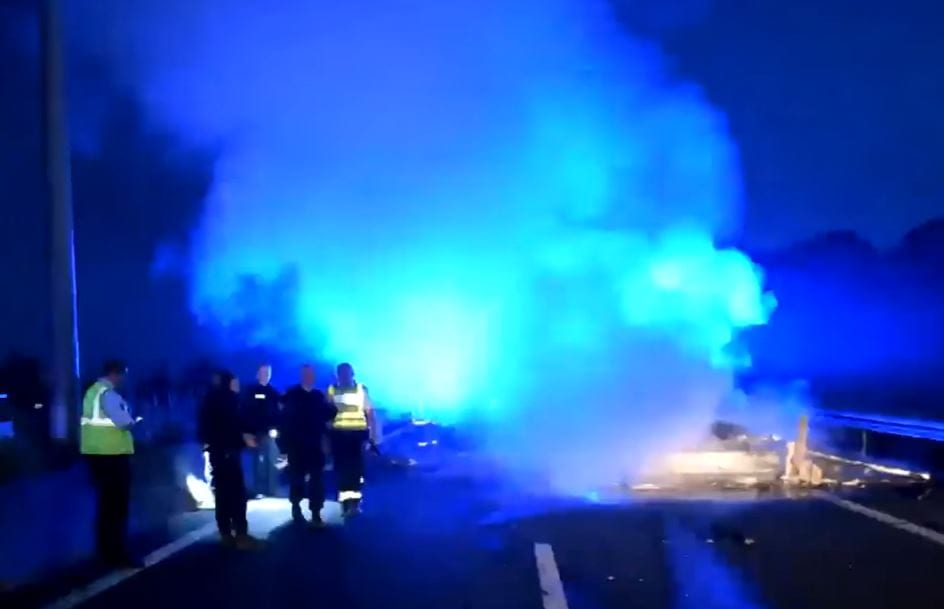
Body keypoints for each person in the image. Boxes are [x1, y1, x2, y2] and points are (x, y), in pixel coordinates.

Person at [80, 360, 141, 568]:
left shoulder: (92, 392)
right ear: (115, 374)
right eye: (122, 374)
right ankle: (118, 554)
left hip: (95, 456)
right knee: (117, 508)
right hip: (113, 456)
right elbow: (124, 422)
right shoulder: (109, 394)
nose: (123, 379)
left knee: (105, 507)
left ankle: (105, 552)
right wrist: (135, 421)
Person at [197, 371, 262, 549]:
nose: (237, 387)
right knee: (237, 494)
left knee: (222, 494)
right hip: (229, 452)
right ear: (229, 383)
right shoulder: (229, 400)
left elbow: (204, 428)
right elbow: (236, 424)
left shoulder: (207, 399)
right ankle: (241, 534)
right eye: (235, 383)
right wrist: (245, 437)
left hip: (215, 452)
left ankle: (225, 533)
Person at [279, 364, 337, 527]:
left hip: (315, 444)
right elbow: (284, 421)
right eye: (306, 374)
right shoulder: (291, 394)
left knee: (317, 479)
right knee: (297, 478)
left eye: (311, 374)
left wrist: (331, 403)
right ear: (302, 375)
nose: (309, 377)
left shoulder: (318, 396)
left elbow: (329, 414)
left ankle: (316, 513)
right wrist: (284, 446)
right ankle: (296, 506)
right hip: (296, 445)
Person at [327, 363, 379, 517]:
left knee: (356, 470)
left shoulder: (361, 390)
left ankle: (355, 503)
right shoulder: (332, 390)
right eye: (341, 373)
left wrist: (372, 437)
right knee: (342, 469)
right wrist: (326, 437)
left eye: (346, 373)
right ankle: (345, 503)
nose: (343, 376)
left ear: (352, 374)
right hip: (339, 435)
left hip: (357, 435)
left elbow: (370, 414)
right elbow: (326, 415)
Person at [241, 363, 281, 497]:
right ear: (257, 374)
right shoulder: (250, 391)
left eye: (268, 373)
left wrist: (276, 428)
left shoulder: (273, 392)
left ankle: (271, 490)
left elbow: (277, 413)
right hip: (255, 432)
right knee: (257, 462)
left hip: (269, 433)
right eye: (263, 372)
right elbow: (246, 412)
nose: (265, 375)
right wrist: (247, 432)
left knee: (272, 461)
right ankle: (257, 489)